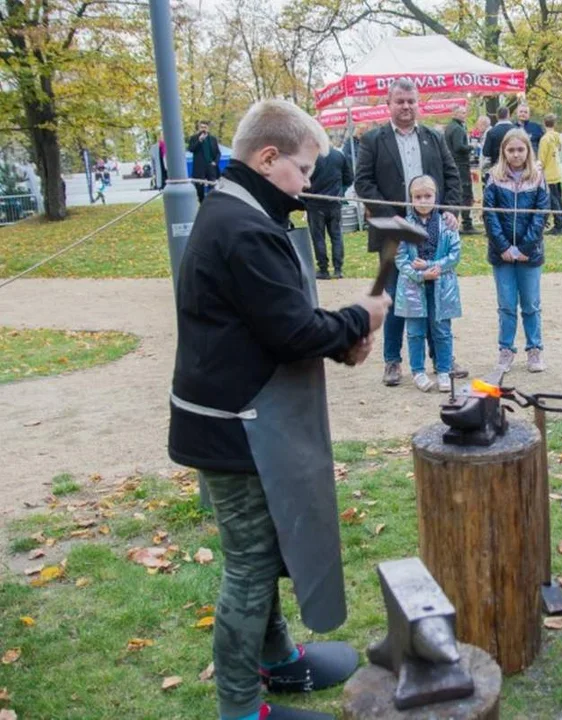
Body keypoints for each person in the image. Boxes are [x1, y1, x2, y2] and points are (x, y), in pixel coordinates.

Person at [169, 99, 391, 720]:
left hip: (239, 421)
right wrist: (360, 318)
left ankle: (277, 659)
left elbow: (275, 322)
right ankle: (241, 708)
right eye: (303, 167)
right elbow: (291, 332)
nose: (312, 182)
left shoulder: (240, 214)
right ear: (268, 159)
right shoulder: (241, 228)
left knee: (263, 554)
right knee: (250, 566)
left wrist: (337, 334)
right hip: (232, 429)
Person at [353, 77, 464, 387]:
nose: (405, 106)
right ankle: (392, 361)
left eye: (410, 101)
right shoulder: (373, 140)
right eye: (399, 101)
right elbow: (363, 183)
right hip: (393, 233)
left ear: (418, 104)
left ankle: (441, 359)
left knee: (435, 298)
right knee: (395, 298)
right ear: (388, 105)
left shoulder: (434, 137)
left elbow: (452, 176)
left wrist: (451, 210)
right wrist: (398, 219)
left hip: (434, 233)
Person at [484, 129, 549, 374]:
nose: (516, 154)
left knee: (531, 304)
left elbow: (541, 214)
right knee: (507, 305)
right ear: (503, 152)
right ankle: (506, 349)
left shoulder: (538, 177)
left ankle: (534, 349)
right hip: (502, 255)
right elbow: (489, 214)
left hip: (529, 254)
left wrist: (524, 248)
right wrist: (504, 247)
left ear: (527, 151)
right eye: (510, 150)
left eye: (520, 149)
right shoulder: (493, 177)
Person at [397, 175, 463, 392]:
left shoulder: (447, 223)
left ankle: (444, 370)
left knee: (441, 329)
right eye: (418, 196)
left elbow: (454, 255)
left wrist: (432, 265)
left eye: (428, 195)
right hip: (414, 287)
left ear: (436, 196)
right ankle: (418, 371)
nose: (423, 200)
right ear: (411, 198)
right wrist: (420, 275)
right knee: (415, 331)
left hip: (442, 285)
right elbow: (400, 259)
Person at [306, 140, 354, 279]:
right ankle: (338, 269)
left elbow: (302, 179)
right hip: (334, 202)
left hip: (314, 203)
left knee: (318, 238)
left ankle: (323, 269)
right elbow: (349, 178)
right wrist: (340, 191)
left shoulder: (310, 157)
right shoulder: (338, 156)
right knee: (337, 236)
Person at [444, 105, 479, 234]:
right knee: (465, 194)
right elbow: (459, 147)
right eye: (462, 113)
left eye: (465, 112)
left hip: (454, 164)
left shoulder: (449, 127)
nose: (465, 115)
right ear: (455, 113)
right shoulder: (458, 129)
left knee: (456, 193)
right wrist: (471, 147)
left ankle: (456, 222)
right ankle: (467, 224)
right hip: (461, 164)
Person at [538, 113, 562, 235]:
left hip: (549, 173)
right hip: (557, 171)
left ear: (544, 123)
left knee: (553, 201)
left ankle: (558, 225)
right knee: (559, 199)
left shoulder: (545, 139)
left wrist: (538, 169)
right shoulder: (557, 137)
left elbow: (542, 158)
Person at [187, 120, 222, 203]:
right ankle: (202, 203)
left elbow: (218, 153)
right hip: (199, 167)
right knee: (199, 187)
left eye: (205, 127)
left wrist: (215, 162)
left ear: (208, 128)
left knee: (212, 185)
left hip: (210, 166)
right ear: (199, 128)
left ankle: (211, 203)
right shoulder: (194, 138)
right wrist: (199, 141)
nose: (203, 129)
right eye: (202, 127)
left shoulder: (213, 139)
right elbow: (191, 149)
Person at [482, 106, 515, 171]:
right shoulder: (517, 130)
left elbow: (486, 152)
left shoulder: (491, 132)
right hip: (514, 165)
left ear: (497, 116)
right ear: (508, 115)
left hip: (497, 166)